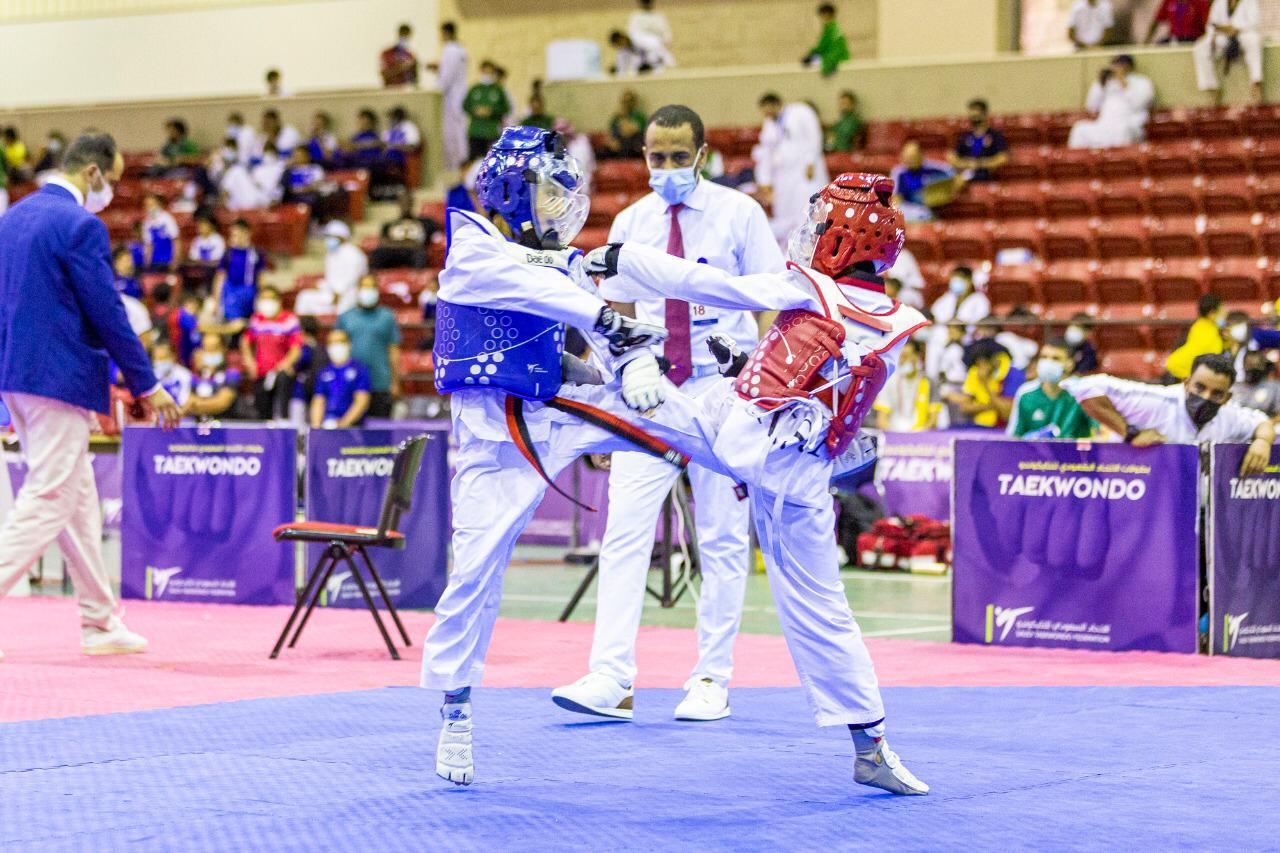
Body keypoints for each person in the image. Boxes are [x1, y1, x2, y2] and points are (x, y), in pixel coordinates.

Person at [425, 134, 930, 796]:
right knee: (476, 568)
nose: (560, 207)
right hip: (507, 431)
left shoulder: (836, 298)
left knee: (780, 537)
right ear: (516, 196)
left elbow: (687, 289)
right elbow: (596, 292)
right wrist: (618, 312)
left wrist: (634, 345)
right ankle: (457, 709)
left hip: (639, 418)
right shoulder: (472, 248)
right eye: (549, 193)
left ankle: (865, 735)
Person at [550, 105, 784, 724]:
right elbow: (609, 318)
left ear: (703, 156)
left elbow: (769, 306)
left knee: (723, 536)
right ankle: (612, 678)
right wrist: (605, 400)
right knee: (624, 532)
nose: (669, 168)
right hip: (647, 389)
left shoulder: (741, 215)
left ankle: (712, 677)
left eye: (681, 157)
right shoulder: (630, 222)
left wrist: (763, 395)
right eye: (658, 158)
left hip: (721, 387)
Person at [0, 133, 180, 661]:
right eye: (116, 179)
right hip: (57, 378)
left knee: (76, 498)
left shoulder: (10, 219)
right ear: (94, 174)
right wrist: (147, 383)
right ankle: (98, 620)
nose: (114, 190)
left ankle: (99, 622)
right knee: (50, 495)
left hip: (17, 375)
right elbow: (107, 313)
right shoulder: (80, 225)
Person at [1070, 353, 1275, 476]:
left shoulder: (1229, 416)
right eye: (1199, 387)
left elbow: (1262, 423)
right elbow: (1085, 388)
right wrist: (1129, 433)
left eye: (1216, 393)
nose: (1206, 396)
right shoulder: (1157, 401)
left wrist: (1263, 442)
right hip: (1136, 503)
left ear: (1227, 397)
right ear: (1186, 383)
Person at [754, 93, 827, 245]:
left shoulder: (801, 112)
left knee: (807, 205)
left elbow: (814, 135)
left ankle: (812, 242)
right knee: (784, 209)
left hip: (803, 171)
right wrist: (764, 179)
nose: (767, 114)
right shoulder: (769, 124)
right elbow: (766, 152)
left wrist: (811, 161)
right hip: (783, 174)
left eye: (768, 109)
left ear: (776, 104)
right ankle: (789, 244)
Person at [337, 275, 401, 418]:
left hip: (380, 384)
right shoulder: (345, 317)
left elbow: (394, 350)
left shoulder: (387, 317)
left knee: (380, 433)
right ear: (358, 290)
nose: (368, 291)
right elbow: (336, 349)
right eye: (364, 287)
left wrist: (395, 382)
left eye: (372, 287)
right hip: (351, 385)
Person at [1007, 339, 1096, 438]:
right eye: (1044, 357)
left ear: (1070, 364)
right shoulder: (1025, 393)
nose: (1048, 362)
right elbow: (1014, 438)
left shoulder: (1084, 392)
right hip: (1035, 453)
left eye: (1056, 358)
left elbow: (1101, 433)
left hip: (1075, 453)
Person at [1068, 54, 1155, 150]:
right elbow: (1091, 106)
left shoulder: (1142, 82)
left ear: (1130, 66)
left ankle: (1118, 163)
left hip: (1130, 125)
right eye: (1115, 65)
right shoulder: (1106, 82)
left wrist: (1122, 81)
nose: (1118, 68)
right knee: (1079, 128)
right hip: (1104, 125)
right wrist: (1101, 83)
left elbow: (1139, 104)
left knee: (1122, 129)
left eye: (1122, 65)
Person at [241, 286, 302, 421]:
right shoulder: (257, 319)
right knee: (262, 411)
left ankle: (283, 421)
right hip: (261, 372)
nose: (267, 302)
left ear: (278, 301)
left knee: (282, 389)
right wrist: (250, 362)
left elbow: (296, 347)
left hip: (281, 372)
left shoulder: (289, 320)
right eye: (264, 299)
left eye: (271, 299)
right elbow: (245, 341)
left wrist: (286, 363)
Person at [925, 265, 989, 380]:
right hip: (944, 339)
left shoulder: (980, 300)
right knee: (935, 339)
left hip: (967, 341)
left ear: (969, 281)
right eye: (953, 278)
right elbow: (934, 315)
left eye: (959, 278)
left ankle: (950, 388)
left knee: (953, 353)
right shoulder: (947, 298)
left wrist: (960, 333)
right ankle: (931, 380)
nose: (954, 282)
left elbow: (981, 325)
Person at [1193, 0, 1263, 105]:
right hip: (1224, 35)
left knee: (1254, 41)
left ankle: (1256, 84)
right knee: (1201, 48)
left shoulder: (1250, 2)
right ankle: (1213, 88)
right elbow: (1211, 24)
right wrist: (1215, 33)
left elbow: (1254, 23)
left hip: (1243, 33)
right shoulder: (1219, 3)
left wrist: (1235, 28)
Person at [295, 221, 368, 316]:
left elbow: (352, 279)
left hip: (350, 294)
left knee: (345, 302)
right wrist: (320, 285)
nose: (329, 239)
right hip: (332, 293)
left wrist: (338, 293)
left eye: (333, 237)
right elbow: (331, 279)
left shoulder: (354, 254)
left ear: (343, 237)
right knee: (304, 297)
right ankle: (305, 328)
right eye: (328, 236)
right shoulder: (330, 254)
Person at [427, 22, 469, 173]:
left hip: (452, 97)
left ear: (446, 33)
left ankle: (455, 165)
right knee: (458, 130)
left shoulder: (451, 50)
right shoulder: (460, 49)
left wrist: (437, 89)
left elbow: (447, 77)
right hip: (458, 94)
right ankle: (459, 163)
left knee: (452, 132)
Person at [947, 338, 1017, 428]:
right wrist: (993, 406)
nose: (981, 367)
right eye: (978, 363)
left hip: (1001, 428)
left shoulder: (1010, 374)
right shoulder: (974, 372)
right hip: (976, 426)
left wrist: (985, 384)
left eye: (984, 362)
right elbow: (965, 407)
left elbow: (1006, 412)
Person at [309, 329, 371, 428]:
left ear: (348, 344)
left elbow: (361, 401)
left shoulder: (359, 370)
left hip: (352, 427)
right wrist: (316, 427)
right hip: (327, 424)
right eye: (332, 343)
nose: (336, 346)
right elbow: (318, 401)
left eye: (340, 342)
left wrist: (343, 424)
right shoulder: (324, 372)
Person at [874, 339, 936, 431]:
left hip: (922, 435)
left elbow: (933, 420)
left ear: (918, 356)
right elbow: (881, 419)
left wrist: (919, 434)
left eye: (907, 356)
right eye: (902, 357)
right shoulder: (889, 382)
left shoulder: (929, 382)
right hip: (894, 433)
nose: (904, 360)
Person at [213, 218, 262, 330]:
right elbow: (220, 277)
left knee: (248, 326)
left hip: (250, 294)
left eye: (236, 234)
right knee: (233, 325)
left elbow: (260, 277)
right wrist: (217, 301)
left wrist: (259, 297)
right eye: (232, 234)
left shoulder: (256, 253)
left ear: (246, 233)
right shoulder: (228, 253)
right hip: (231, 293)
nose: (233, 237)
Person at [890, 140, 956, 222]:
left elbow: (953, 175)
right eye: (907, 158)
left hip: (934, 207)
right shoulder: (898, 172)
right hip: (910, 209)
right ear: (902, 158)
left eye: (913, 157)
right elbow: (896, 199)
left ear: (921, 156)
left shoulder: (933, 168)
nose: (910, 161)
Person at [1165, 293, 1226, 381]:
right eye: (1222, 311)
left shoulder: (1197, 325)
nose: (1225, 314)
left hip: (1173, 368)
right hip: (1180, 375)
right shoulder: (1212, 337)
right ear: (1212, 313)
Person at [948, 98, 1008, 182]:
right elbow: (952, 157)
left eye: (977, 115)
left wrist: (979, 164)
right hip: (965, 174)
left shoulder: (995, 135)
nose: (973, 118)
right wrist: (964, 163)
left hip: (986, 175)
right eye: (971, 115)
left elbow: (1002, 158)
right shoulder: (965, 136)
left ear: (985, 114)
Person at [463, 61, 511, 161]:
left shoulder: (498, 90)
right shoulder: (475, 88)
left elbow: (506, 108)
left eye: (490, 72)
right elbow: (465, 106)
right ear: (481, 71)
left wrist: (491, 111)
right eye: (485, 71)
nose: (487, 74)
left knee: (491, 161)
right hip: (475, 131)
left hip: (491, 132)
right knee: (474, 161)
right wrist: (475, 110)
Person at [186, 333, 240, 419]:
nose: (209, 352)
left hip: (225, 426)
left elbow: (222, 403)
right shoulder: (195, 376)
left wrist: (196, 405)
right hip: (197, 425)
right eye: (206, 348)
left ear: (223, 349)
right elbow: (188, 401)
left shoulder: (231, 374)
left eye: (214, 348)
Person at [371, 194, 431, 269]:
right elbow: (384, 242)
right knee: (377, 253)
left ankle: (420, 278)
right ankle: (374, 278)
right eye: (403, 202)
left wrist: (395, 243)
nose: (405, 205)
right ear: (398, 204)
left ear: (412, 203)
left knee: (420, 254)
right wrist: (409, 243)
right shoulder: (389, 225)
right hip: (393, 252)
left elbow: (422, 243)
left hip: (413, 252)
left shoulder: (425, 223)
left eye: (408, 202)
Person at [804, 3, 850, 76]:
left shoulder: (832, 29)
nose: (821, 18)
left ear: (827, 14)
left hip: (833, 59)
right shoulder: (832, 28)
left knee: (809, 61)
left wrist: (812, 54)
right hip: (832, 57)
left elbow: (825, 47)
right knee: (809, 60)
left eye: (822, 14)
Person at [1232, 350, 1280, 418]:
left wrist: (1266, 425)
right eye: (1249, 365)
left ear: (1263, 366)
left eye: (1256, 366)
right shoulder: (1234, 387)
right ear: (1243, 365)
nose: (1251, 369)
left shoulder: (1274, 387)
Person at [628, 0, 675, 71]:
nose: (647, 4)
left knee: (662, 58)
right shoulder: (636, 16)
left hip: (658, 44)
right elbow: (633, 33)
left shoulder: (659, 16)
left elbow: (666, 32)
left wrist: (664, 40)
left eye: (648, 2)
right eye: (644, 2)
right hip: (641, 46)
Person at [141, 193, 180, 272]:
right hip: (154, 262)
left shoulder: (167, 219)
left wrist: (175, 260)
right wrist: (146, 261)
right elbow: (148, 244)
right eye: (147, 205)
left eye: (151, 204)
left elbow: (176, 240)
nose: (149, 207)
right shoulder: (147, 222)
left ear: (159, 204)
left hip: (167, 261)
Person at [604, 90, 647, 159]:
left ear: (634, 102)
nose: (626, 104)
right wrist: (611, 143)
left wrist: (623, 117)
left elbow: (628, 132)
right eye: (624, 101)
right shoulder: (616, 117)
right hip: (617, 146)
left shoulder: (639, 116)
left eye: (629, 101)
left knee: (628, 147)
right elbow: (609, 134)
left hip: (632, 146)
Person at [150, 342, 193, 410]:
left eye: (165, 358)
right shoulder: (151, 376)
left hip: (183, 415)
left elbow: (186, 401)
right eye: (159, 359)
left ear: (173, 357)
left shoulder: (185, 375)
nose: (162, 362)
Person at [381, 22, 419, 87]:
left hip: (407, 90)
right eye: (403, 35)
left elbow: (415, 79)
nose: (405, 38)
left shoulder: (410, 55)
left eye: (407, 36)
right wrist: (403, 67)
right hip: (391, 89)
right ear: (399, 34)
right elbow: (384, 74)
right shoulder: (387, 54)